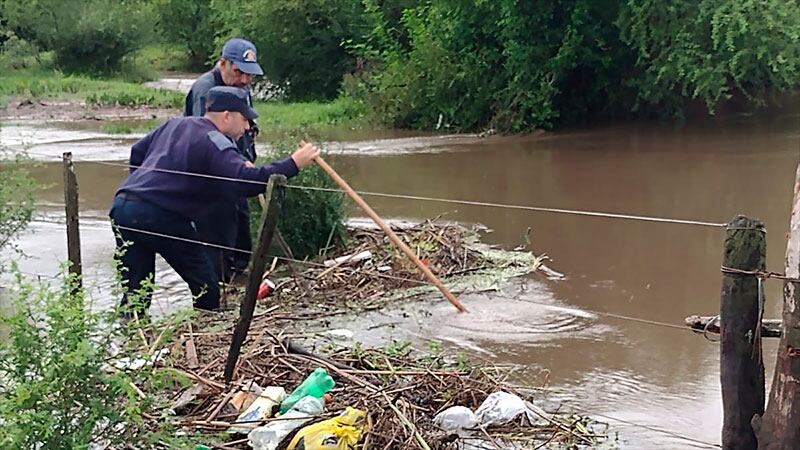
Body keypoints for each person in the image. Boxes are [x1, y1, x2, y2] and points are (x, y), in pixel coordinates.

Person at [110, 86, 319, 315]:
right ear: (227, 115)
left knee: (135, 290)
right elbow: (245, 183)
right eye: (245, 119)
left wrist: (146, 187)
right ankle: (204, 333)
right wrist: (293, 163)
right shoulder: (214, 140)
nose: (248, 127)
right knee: (206, 285)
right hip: (160, 215)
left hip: (123, 205)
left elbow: (137, 152)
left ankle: (130, 341)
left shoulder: (175, 124)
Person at [184, 38, 263, 282]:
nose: (245, 79)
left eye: (249, 74)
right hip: (213, 174)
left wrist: (245, 160)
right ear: (223, 63)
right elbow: (205, 137)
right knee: (217, 231)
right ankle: (219, 284)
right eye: (239, 71)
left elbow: (246, 126)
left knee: (241, 223)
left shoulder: (242, 87)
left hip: (237, 166)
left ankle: (240, 277)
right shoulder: (205, 90)